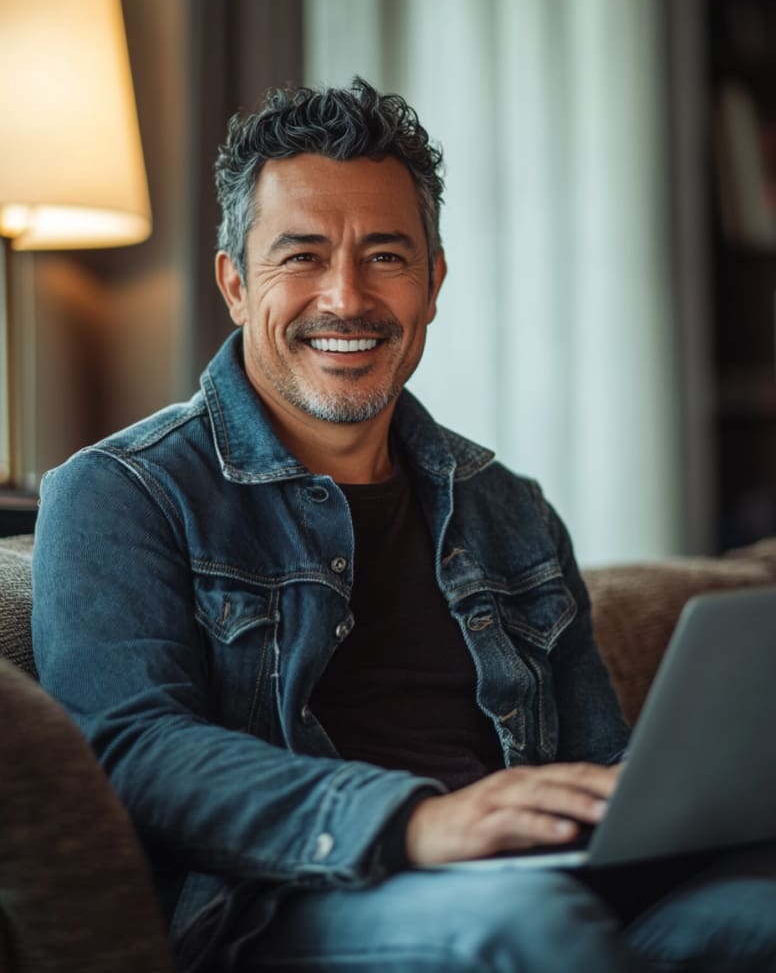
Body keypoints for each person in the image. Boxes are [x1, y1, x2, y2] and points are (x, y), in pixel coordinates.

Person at [32, 77, 776, 972]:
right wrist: (415, 821)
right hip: (284, 907)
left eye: (385, 256)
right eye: (300, 256)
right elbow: (134, 753)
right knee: (526, 929)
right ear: (235, 283)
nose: (346, 298)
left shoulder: (509, 507)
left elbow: (601, 764)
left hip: (541, 883)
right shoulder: (121, 492)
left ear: (433, 281)